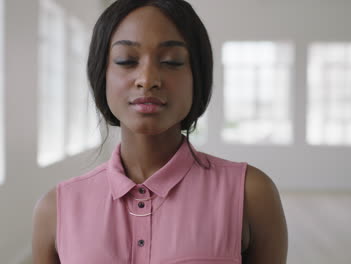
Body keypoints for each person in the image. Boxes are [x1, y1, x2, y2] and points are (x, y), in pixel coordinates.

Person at [32, 0, 288, 263]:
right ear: (101, 75)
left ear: (197, 76)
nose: (147, 79)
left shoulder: (251, 193)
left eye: (171, 62)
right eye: (126, 60)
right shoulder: (56, 208)